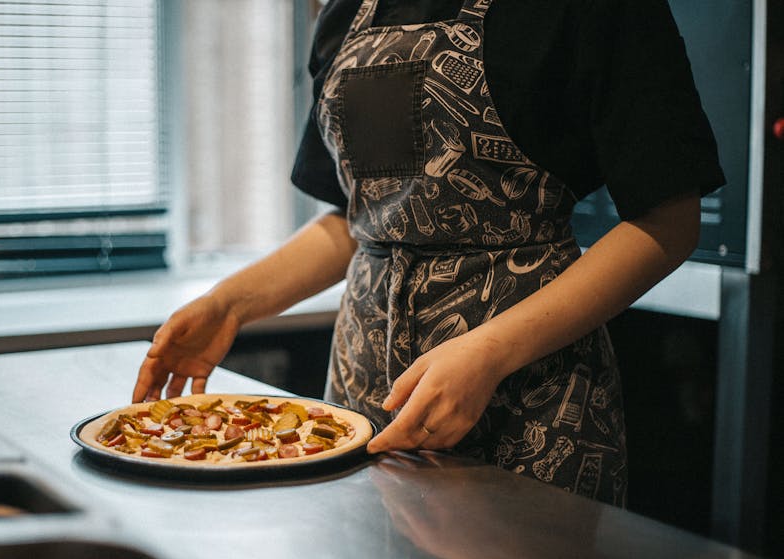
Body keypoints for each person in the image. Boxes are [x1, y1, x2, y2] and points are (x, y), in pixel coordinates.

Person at [133, 0, 725, 505]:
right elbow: (360, 221)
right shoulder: (348, 14)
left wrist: (489, 353)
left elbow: (667, 224)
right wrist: (229, 305)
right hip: (360, 399)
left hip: (530, 397)